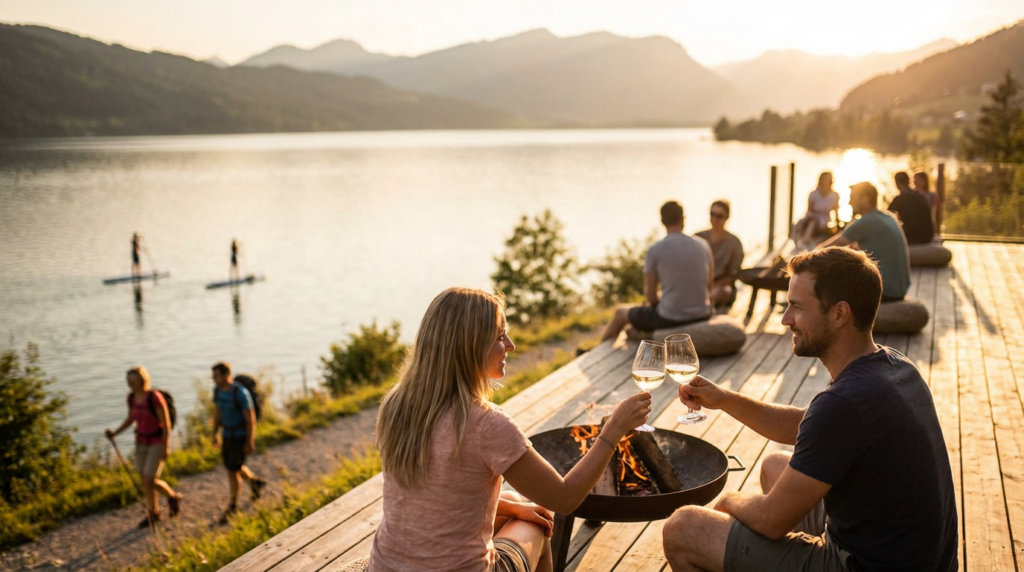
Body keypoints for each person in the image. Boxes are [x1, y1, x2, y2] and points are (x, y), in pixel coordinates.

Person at [662, 247, 958, 572]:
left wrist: (729, 501)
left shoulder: (844, 404)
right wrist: (726, 400)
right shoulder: (892, 366)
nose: (785, 319)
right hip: (916, 559)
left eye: (797, 307)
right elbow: (812, 426)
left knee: (684, 528)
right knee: (775, 466)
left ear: (839, 314)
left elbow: (770, 520)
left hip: (863, 565)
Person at [369, 287, 652, 572]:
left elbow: (436, 496)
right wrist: (613, 430)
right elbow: (564, 499)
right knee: (537, 529)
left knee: (517, 500)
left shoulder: (396, 404)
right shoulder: (486, 424)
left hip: (386, 566)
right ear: (470, 346)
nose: (511, 344)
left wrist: (511, 508)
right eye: (499, 336)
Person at [601, 201, 713, 342]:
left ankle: (594, 355)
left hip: (670, 318)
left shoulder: (655, 250)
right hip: (703, 313)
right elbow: (708, 287)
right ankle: (641, 334)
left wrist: (660, 300)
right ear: (683, 219)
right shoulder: (703, 245)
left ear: (662, 221)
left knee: (620, 313)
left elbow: (651, 296)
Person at [106, 366, 183, 528]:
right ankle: (158, 510)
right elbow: (131, 418)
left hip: (156, 443)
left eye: (133, 381)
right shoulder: (132, 398)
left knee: (149, 479)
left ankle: (164, 503)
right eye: (129, 381)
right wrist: (116, 432)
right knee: (145, 480)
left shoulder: (154, 397)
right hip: (140, 443)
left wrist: (166, 446)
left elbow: (166, 424)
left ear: (142, 380)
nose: (130, 384)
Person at [819, 182, 910, 302]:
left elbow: (822, 249)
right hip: (899, 289)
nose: (849, 202)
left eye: (852, 198)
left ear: (865, 199)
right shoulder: (888, 217)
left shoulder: (866, 221)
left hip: (885, 291)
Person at [211, 362, 267, 523]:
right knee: (233, 466)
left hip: (240, 436)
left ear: (226, 374)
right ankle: (254, 482)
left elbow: (251, 419)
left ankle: (233, 505)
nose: (214, 379)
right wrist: (214, 434)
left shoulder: (241, 393)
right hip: (227, 435)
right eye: (213, 376)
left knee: (232, 471)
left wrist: (250, 441)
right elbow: (217, 413)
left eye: (217, 375)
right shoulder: (218, 392)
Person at [696, 200, 744, 309]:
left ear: (726, 218)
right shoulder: (698, 238)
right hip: (699, 284)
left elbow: (733, 274)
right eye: (712, 214)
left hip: (721, 286)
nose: (715, 219)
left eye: (719, 216)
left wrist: (713, 286)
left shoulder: (734, 242)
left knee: (722, 291)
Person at [792, 172, 840, 249]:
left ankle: (805, 241)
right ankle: (799, 239)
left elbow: (836, 212)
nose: (826, 181)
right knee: (801, 222)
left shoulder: (835, 195)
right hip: (813, 216)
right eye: (824, 179)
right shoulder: (813, 193)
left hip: (825, 219)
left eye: (828, 179)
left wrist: (837, 226)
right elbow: (809, 210)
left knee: (813, 223)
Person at [887, 171, 934, 244]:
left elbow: (886, 216)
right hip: (928, 235)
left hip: (914, 236)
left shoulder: (900, 198)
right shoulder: (919, 195)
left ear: (897, 183)